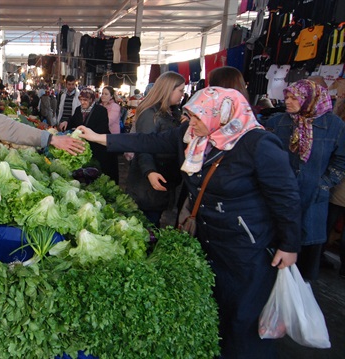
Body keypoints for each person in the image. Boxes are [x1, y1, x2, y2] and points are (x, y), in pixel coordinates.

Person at [78, 86, 301, 359]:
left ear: (222, 115)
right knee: (217, 308)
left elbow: (286, 196)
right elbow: (148, 141)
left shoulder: (257, 144)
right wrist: (99, 138)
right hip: (208, 238)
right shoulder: (191, 136)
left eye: (197, 117)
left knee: (243, 318)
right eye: (190, 116)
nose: (190, 123)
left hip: (247, 247)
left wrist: (290, 244)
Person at [266, 79, 345, 281]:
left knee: (306, 263)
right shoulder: (277, 123)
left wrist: (324, 183)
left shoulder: (334, 126)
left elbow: (341, 159)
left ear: (310, 99)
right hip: (278, 198)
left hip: (313, 200)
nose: (288, 102)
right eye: (287, 97)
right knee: (274, 255)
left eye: (295, 98)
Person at [126, 71, 185, 227]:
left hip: (162, 179)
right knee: (146, 225)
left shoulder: (173, 113)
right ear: (168, 89)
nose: (183, 94)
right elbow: (143, 146)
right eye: (180, 90)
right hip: (147, 184)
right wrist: (150, 172)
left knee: (154, 221)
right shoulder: (150, 114)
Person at [59, 88, 118, 182]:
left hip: (99, 149)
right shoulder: (79, 109)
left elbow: (102, 129)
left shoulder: (101, 110)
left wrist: (83, 132)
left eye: (85, 100)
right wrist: (66, 122)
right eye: (81, 100)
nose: (82, 102)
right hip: (85, 148)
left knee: (102, 175)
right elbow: (73, 121)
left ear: (91, 100)